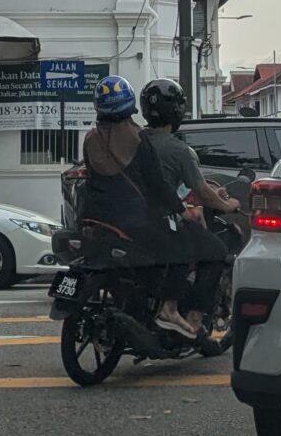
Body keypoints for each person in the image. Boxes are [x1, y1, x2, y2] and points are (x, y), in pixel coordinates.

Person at [76, 74, 200, 339]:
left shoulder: (90, 138)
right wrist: (180, 209)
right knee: (184, 247)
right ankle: (169, 308)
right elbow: (156, 184)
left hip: (96, 219)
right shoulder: (138, 138)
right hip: (133, 220)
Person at [138, 77, 238, 335]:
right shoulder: (178, 150)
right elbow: (201, 191)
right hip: (161, 223)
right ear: (177, 111)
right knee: (215, 251)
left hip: (132, 221)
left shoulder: (136, 142)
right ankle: (192, 318)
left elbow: (177, 188)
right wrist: (227, 206)